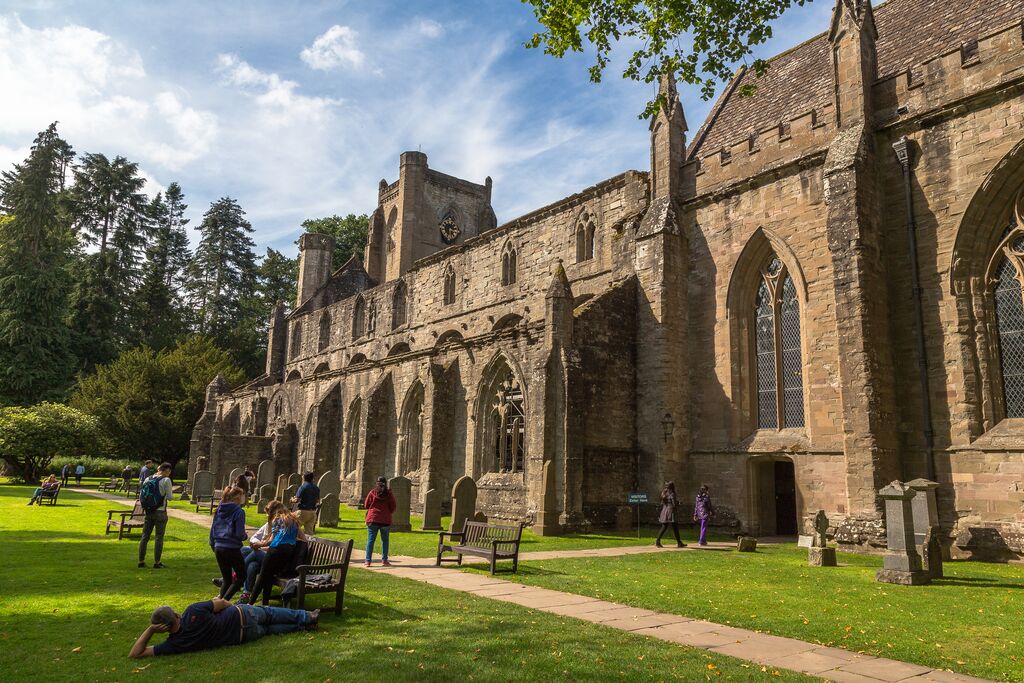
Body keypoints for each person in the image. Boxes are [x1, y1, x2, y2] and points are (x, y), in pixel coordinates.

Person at [128, 598, 318, 658]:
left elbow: (135, 654)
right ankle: (307, 616)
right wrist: (236, 608)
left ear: (164, 628)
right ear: (176, 615)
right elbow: (221, 602)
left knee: (268, 630)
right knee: (269, 614)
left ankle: (303, 627)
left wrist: (151, 630)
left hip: (243, 635)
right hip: (242, 615)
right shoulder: (193, 611)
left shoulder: (176, 644)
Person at [251, 506, 305, 606]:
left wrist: (260, 545)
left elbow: (272, 540)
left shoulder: (277, 519)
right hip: (287, 552)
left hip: (275, 550)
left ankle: (250, 603)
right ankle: (265, 604)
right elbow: (303, 538)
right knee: (270, 576)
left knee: (263, 576)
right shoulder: (294, 521)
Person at [210, 486, 248, 601]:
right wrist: (245, 536)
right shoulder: (239, 511)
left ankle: (219, 603)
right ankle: (224, 602)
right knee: (241, 577)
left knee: (227, 579)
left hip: (218, 546)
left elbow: (213, 529)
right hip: (232, 547)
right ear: (237, 497)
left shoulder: (219, 509)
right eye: (242, 495)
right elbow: (239, 534)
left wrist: (212, 544)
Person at [138, 463, 174, 569]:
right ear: (167, 470)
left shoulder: (148, 479)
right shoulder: (166, 480)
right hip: (160, 511)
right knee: (159, 537)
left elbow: (142, 494)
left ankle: (141, 561)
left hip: (149, 511)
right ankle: (157, 562)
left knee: (145, 536)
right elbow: (170, 497)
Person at [363, 476, 396, 567]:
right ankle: (384, 560)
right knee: (385, 541)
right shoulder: (389, 494)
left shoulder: (372, 492)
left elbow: (366, 505)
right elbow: (393, 506)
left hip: (373, 519)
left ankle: (368, 561)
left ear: (377, 483)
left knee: (370, 540)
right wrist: (386, 512)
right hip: (385, 520)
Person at [655, 481, 686, 548]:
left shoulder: (664, 493)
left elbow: (664, 502)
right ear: (672, 486)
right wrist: (679, 503)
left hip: (665, 510)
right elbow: (674, 504)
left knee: (668, 527)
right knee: (672, 527)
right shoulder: (672, 493)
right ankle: (658, 541)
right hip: (671, 511)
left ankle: (679, 542)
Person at [291, 471, 320, 535]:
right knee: (309, 534)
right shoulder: (317, 488)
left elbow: (297, 500)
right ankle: (307, 544)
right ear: (312, 478)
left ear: (303, 478)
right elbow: (317, 501)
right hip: (313, 512)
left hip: (303, 512)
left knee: (292, 529)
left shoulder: (303, 487)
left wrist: (292, 500)